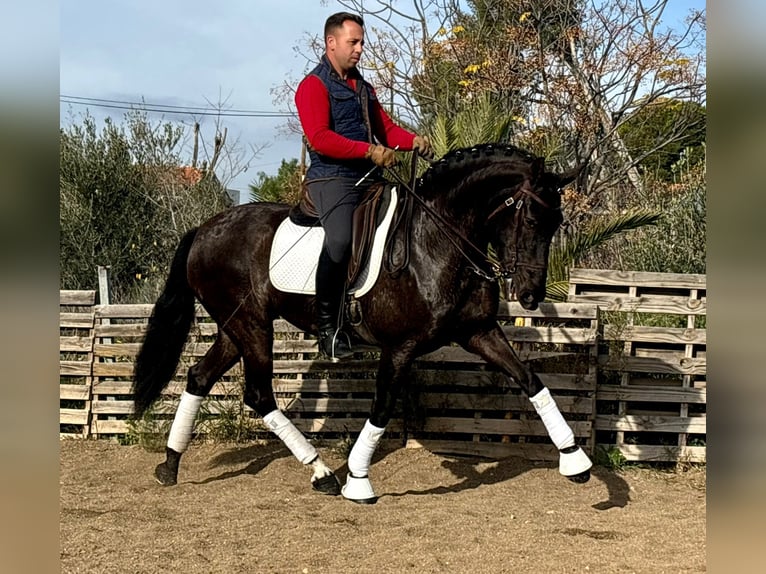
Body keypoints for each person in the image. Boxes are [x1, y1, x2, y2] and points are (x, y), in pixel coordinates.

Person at [295, 11, 432, 361]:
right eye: (353, 42)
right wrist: (369, 150)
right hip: (332, 179)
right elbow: (320, 138)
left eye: (361, 43)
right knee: (339, 240)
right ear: (331, 43)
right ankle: (328, 329)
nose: (359, 49)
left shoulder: (363, 88)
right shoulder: (313, 86)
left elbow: (386, 130)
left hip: (368, 176)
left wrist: (413, 141)